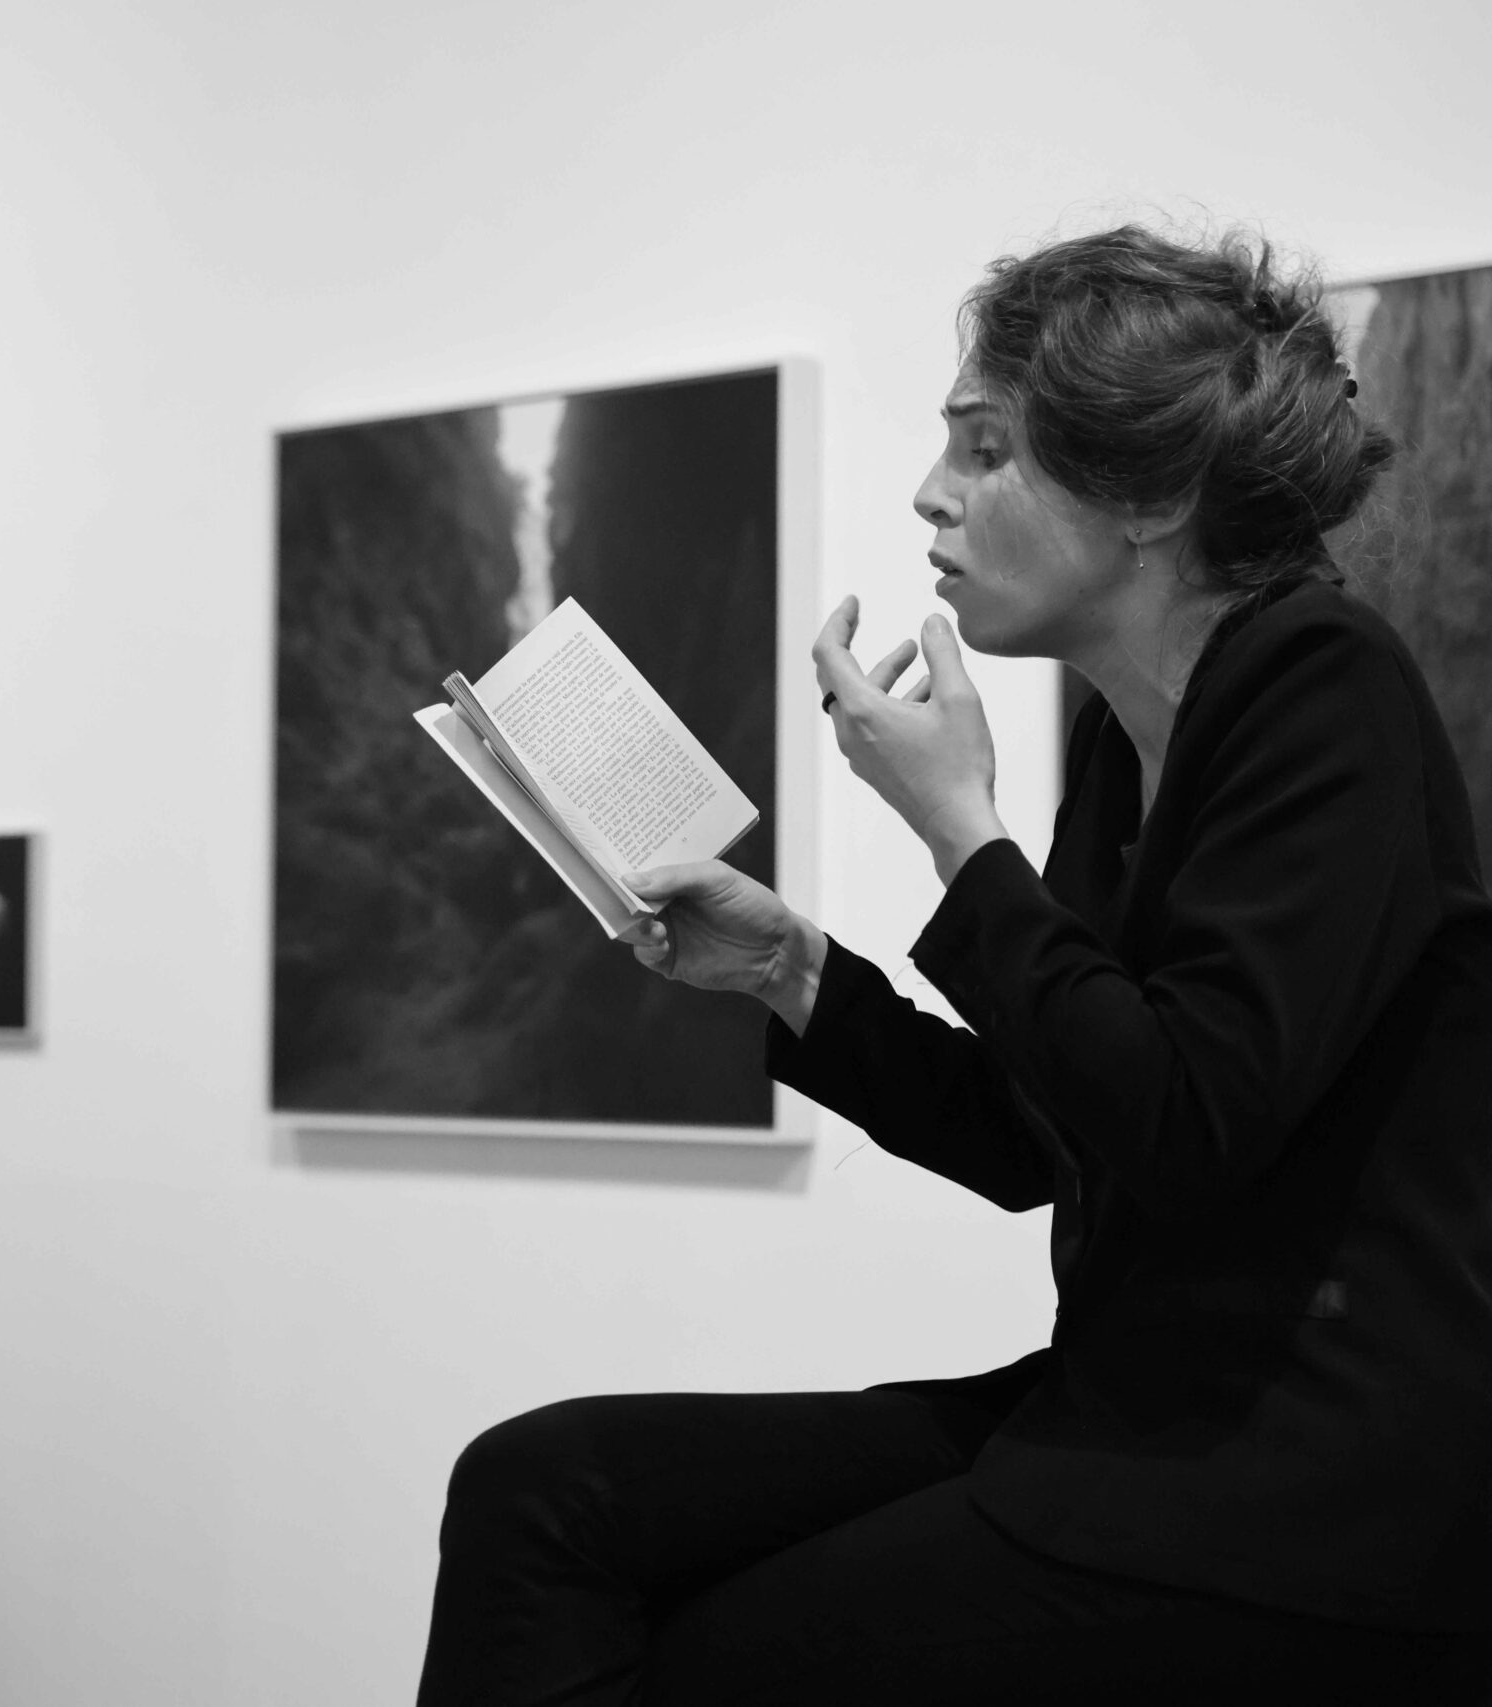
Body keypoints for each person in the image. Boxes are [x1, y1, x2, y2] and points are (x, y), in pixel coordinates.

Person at [414, 225, 1492, 1704]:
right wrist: (792, 970)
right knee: (542, 1491)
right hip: (1137, 1416)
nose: (933, 493)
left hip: (1301, 1492)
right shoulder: (1129, 741)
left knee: (717, 1659)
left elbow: (1184, 1123)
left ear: (1153, 497)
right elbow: (1040, 1134)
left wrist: (959, 829)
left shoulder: (1323, 685)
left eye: (986, 451)